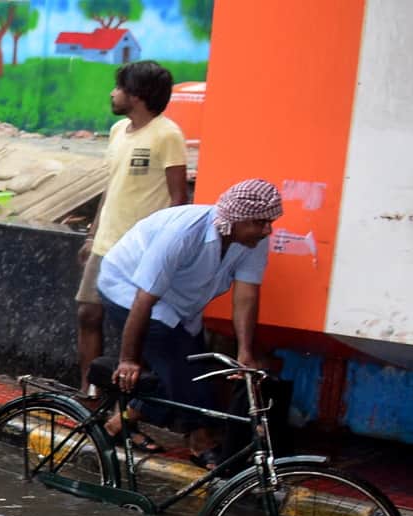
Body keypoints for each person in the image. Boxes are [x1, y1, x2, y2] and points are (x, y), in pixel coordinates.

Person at [96, 178, 283, 466]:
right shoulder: (184, 233)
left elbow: (246, 295)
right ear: (236, 219)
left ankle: (119, 423)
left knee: (193, 367)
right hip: (127, 287)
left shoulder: (252, 240)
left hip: (178, 303)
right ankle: (199, 441)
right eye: (260, 223)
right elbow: (144, 300)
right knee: (186, 373)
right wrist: (129, 359)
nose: (267, 230)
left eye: (269, 222)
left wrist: (244, 351)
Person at [77, 60, 189, 442]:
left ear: (137, 95)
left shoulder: (167, 135)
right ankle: (89, 399)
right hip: (106, 242)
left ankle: (126, 416)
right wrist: (92, 233)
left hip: (141, 251)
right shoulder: (117, 131)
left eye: (119, 87)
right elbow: (111, 188)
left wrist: (163, 248)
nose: (113, 93)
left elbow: (179, 197)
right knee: (87, 314)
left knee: (133, 333)